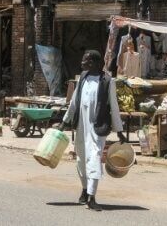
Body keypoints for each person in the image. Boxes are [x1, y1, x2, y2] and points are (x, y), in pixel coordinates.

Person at [58, 50, 126, 211]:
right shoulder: (83, 77)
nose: (82, 63)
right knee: (81, 159)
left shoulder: (108, 81)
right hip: (81, 126)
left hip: (97, 127)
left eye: (85, 61)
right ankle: (84, 190)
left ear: (94, 63)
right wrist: (64, 122)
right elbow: (74, 102)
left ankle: (91, 196)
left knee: (94, 157)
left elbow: (114, 107)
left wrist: (119, 130)